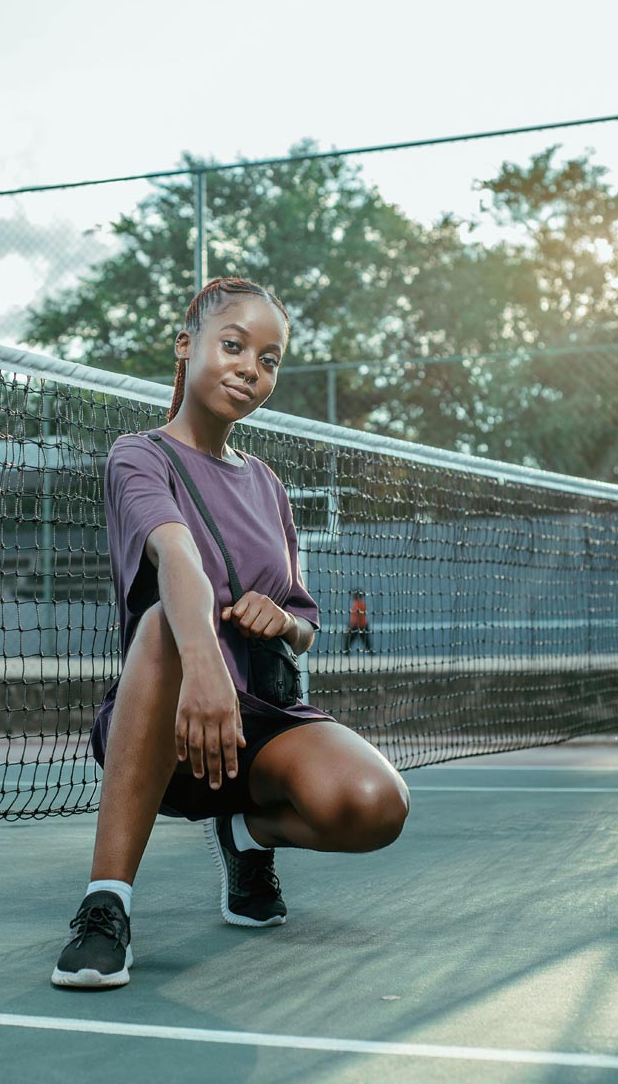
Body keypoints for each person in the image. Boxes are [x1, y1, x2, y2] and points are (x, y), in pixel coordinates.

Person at [52, 277, 409, 989]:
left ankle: (248, 833)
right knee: (162, 625)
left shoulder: (270, 486)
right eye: (235, 345)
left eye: (270, 358)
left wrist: (283, 620)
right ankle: (106, 905)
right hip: (165, 719)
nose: (252, 367)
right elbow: (177, 557)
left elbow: (304, 619)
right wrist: (207, 666)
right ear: (187, 346)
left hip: (257, 723)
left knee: (376, 806)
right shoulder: (140, 454)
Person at [342, 590, 374, 654]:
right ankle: (346, 652)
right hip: (360, 626)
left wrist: (352, 625)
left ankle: (346, 652)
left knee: (350, 640)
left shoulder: (359, 604)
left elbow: (358, 616)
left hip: (359, 626)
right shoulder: (358, 603)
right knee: (364, 641)